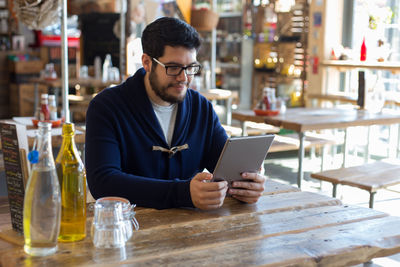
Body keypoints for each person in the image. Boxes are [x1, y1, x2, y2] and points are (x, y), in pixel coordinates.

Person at [85, 17, 266, 210]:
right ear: (147, 62)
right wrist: (183, 193)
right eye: (173, 68)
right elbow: (103, 183)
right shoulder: (106, 107)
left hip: (190, 230)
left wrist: (247, 185)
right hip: (130, 228)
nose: (184, 78)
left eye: (191, 68)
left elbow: (227, 169)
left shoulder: (200, 108)